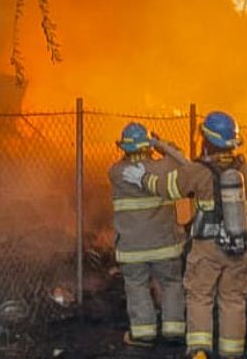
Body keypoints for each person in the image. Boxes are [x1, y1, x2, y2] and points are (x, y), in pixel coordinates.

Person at [123, 112, 247, 359]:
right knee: (233, 300)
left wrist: (142, 178)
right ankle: (231, 352)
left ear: (207, 141)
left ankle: (199, 352)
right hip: (239, 248)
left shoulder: (198, 172)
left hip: (207, 248)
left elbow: (167, 188)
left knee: (200, 297)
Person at [108, 122, 187, 347]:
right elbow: (181, 158)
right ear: (147, 146)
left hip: (132, 249)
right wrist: (160, 144)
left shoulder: (116, 172)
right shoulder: (165, 168)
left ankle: (143, 333)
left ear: (124, 148)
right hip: (165, 245)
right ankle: (174, 328)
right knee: (171, 282)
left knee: (136, 285)